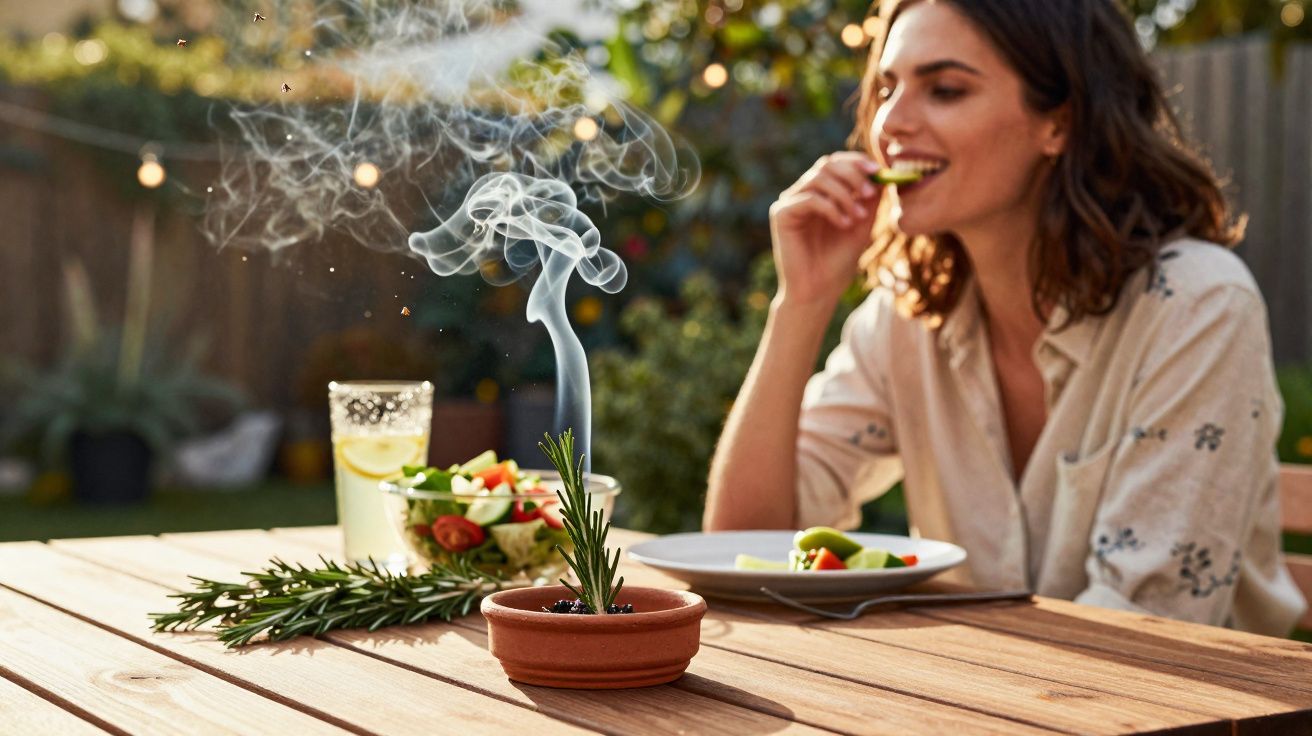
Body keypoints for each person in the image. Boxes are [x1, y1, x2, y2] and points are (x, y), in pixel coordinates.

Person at [703, 0, 1306, 635]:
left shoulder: (1195, 308)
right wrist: (801, 303)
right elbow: (744, 545)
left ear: (1059, 123)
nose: (890, 122)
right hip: (981, 687)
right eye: (885, 88)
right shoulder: (908, 317)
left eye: (945, 89)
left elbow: (1145, 629)